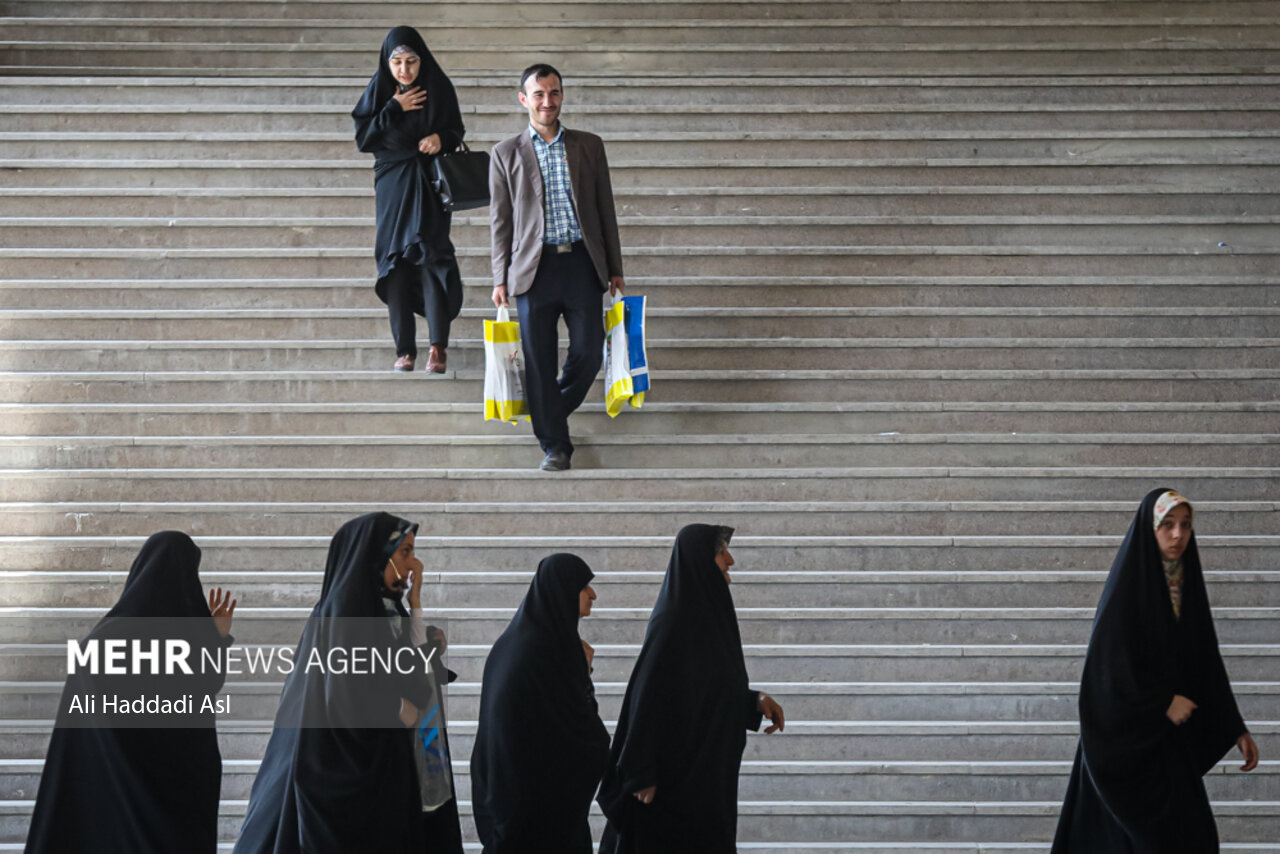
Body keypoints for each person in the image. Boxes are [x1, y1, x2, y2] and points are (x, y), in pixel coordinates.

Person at [1051, 488, 1261, 852]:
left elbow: (1204, 659)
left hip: (1166, 747)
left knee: (1192, 839)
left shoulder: (1183, 586)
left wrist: (1234, 726)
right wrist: (1161, 701)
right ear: (1149, 529)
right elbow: (1106, 672)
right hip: (1126, 750)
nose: (1178, 534)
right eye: (1167, 524)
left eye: (1185, 525)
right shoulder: (1128, 589)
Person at [233, 512, 456, 854]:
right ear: (376, 555)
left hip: (383, 770)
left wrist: (416, 606)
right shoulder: (344, 614)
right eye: (405, 553)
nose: (414, 565)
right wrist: (397, 707)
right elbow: (342, 689)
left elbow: (405, 674)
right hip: (338, 774)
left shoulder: (382, 610)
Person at [24, 531, 236, 854]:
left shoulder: (100, 641)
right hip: (168, 816)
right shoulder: (184, 648)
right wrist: (215, 638)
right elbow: (203, 688)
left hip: (106, 802)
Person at [597, 524, 786, 853]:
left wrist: (753, 701)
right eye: (721, 551)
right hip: (675, 786)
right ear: (701, 559)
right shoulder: (673, 619)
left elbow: (701, 691)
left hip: (704, 780)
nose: (731, 560)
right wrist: (640, 771)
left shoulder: (705, 616)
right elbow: (648, 695)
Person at [489, 62, 626, 471]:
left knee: (588, 353)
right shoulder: (505, 153)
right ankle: (555, 446)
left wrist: (615, 266)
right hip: (533, 271)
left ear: (562, 95)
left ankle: (549, 409)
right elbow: (501, 221)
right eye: (538, 94)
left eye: (554, 93)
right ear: (523, 100)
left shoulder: (588, 145)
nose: (547, 101)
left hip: (583, 264)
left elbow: (606, 209)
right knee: (539, 359)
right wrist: (499, 277)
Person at [471, 553, 610, 852]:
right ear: (562, 591)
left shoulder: (517, 644)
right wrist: (583, 675)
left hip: (519, 813)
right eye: (584, 586)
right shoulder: (543, 655)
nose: (593, 594)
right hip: (538, 820)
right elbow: (578, 733)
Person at [354, 26, 466, 373]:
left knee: (431, 258)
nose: (404, 70)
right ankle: (405, 350)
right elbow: (364, 139)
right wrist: (394, 106)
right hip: (392, 186)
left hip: (429, 186)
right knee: (396, 264)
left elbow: (456, 131)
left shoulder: (439, 87)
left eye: (412, 61)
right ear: (387, 63)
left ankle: (437, 348)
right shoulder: (380, 91)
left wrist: (440, 139)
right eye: (397, 62)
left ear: (423, 60)